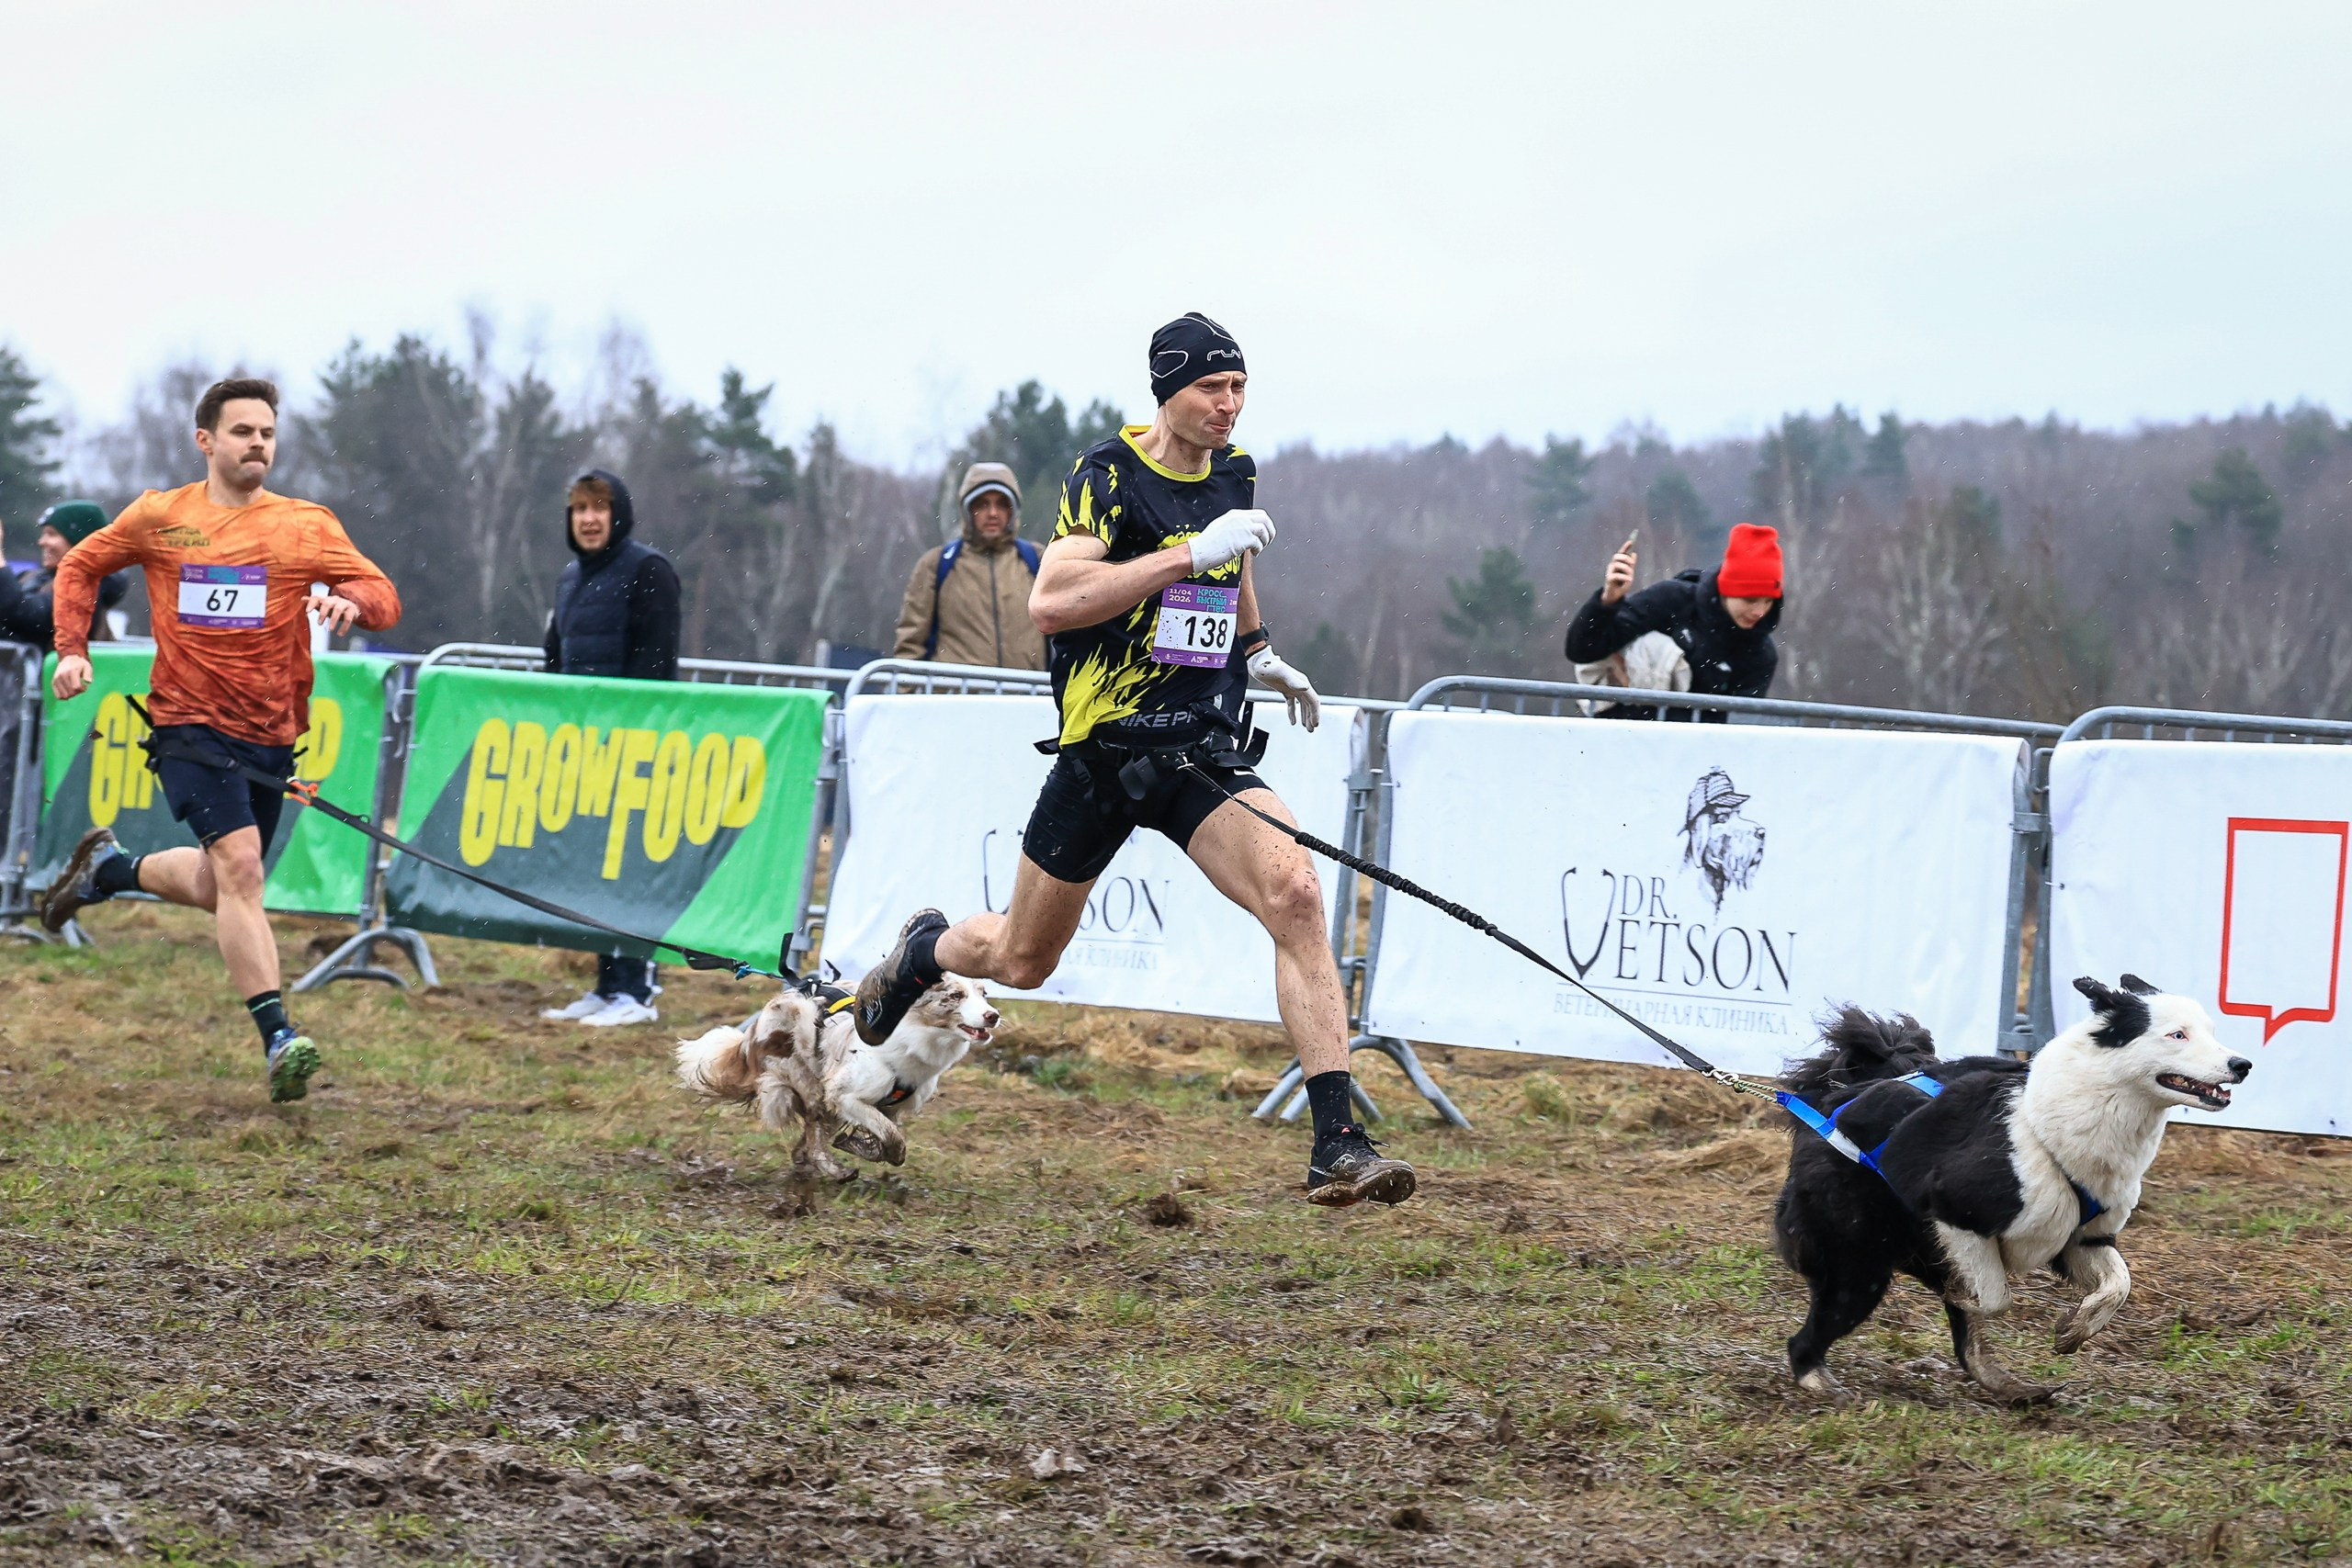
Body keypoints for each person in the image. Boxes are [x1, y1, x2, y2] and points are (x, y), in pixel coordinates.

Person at [852, 313, 1415, 1208]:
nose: (1228, 405)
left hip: (1195, 742)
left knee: (1298, 894)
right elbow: (1053, 602)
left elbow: (1234, 569)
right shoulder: (1107, 477)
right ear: (1168, 393)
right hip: (1106, 746)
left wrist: (1259, 648)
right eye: (1210, 389)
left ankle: (1337, 1143)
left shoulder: (1235, 471)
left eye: (1239, 388)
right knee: (1021, 959)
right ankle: (925, 949)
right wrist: (1184, 554)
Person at [39, 378, 402, 1102]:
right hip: (187, 726)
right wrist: (72, 647)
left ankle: (109, 871)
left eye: (266, 431)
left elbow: (384, 596)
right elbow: (81, 563)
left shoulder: (305, 525)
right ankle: (279, 1037)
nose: (258, 443)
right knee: (240, 871)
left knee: (219, 884)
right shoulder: (161, 516)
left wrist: (346, 598)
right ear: (206, 441)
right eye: (242, 431)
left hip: (270, 733)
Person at [538, 468, 682, 1027]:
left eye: (599, 506)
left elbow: (656, 669)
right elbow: (555, 660)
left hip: (636, 749)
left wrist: (635, 739)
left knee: (631, 870)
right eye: (579, 509)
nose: (589, 518)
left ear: (617, 514)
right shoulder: (569, 579)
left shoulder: (649, 570)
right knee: (593, 868)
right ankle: (606, 986)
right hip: (582, 750)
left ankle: (637, 992)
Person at [1562, 522, 1784, 722]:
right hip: (1619, 736)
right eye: (1750, 600)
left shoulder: (1761, 654)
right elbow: (1582, 650)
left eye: (1769, 602)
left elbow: (1737, 729)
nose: (1760, 611)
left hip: (1692, 757)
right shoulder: (1670, 600)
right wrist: (1607, 602)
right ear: (1726, 591)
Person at [890, 462, 1047, 670]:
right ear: (967, 510)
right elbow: (910, 645)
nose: (993, 513)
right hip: (954, 700)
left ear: (1013, 510)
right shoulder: (936, 565)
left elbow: (1070, 638)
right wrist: (905, 697)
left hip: (1025, 698)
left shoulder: (1038, 560)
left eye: (1002, 504)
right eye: (982, 504)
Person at [0, 501, 131, 650]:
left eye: (51, 534)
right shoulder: (32, 578)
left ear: (81, 542)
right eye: (43, 534)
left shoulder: (87, 589)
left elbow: (25, 616)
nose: (42, 542)